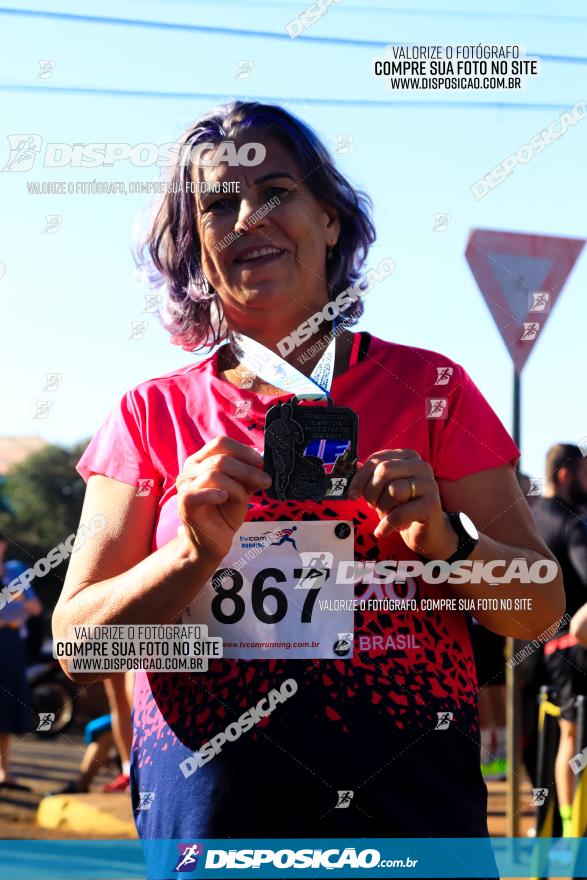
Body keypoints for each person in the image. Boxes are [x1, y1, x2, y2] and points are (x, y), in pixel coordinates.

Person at [53, 102, 563, 875]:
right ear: (196, 249)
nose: (248, 218)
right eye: (218, 205)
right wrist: (188, 556)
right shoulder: (149, 414)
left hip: (411, 836)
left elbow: (538, 607)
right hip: (217, 840)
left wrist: (447, 543)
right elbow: (81, 649)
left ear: (329, 220)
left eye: (276, 191)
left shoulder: (431, 387)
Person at [533, 444, 587, 837]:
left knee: (555, 737)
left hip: (528, 645)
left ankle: (557, 826)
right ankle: (571, 830)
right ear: (567, 474)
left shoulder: (526, 516)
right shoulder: (572, 522)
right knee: (570, 735)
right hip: (573, 646)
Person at [0, 538, 42, 789]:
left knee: (5, 709)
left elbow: (35, 608)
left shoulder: (16, 570)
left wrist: (12, 610)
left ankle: (4, 770)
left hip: (12, 645)